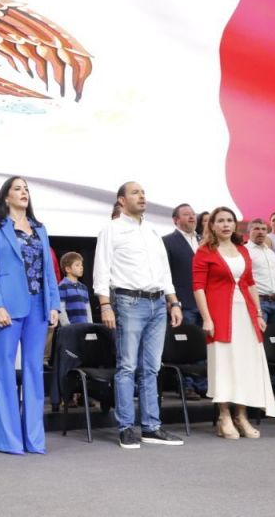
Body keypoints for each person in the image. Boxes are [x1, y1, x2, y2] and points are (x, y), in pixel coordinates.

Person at [93, 181, 185, 449]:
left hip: (158, 303)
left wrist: (174, 302)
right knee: (127, 366)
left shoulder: (152, 230)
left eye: (143, 192)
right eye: (135, 193)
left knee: (151, 368)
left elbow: (164, 271)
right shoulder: (111, 229)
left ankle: (151, 427)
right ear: (121, 200)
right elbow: (101, 269)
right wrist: (105, 305)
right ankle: (125, 427)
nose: (142, 196)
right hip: (129, 302)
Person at [0, 176, 60, 455]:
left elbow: (48, 270)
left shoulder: (39, 228)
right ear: (6, 197)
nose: (24, 192)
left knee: (34, 369)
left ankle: (34, 439)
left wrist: (54, 304)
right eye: (18, 189)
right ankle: (9, 440)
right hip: (8, 306)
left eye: (26, 189)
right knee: (4, 369)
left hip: (38, 305)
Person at [193, 207, 275, 440]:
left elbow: (250, 283)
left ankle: (241, 416)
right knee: (224, 364)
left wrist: (258, 314)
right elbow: (198, 287)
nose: (225, 224)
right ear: (212, 225)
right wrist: (207, 318)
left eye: (229, 220)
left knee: (245, 365)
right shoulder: (204, 251)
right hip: (220, 315)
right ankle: (224, 416)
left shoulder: (242, 250)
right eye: (220, 221)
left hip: (246, 315)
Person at [162, 203, 207, 400]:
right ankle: (186, 385)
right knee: (185, 346)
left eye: (193, 214)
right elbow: (165, 274)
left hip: (205, 303)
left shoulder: (204, 241)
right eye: (186, 214)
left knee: (203, 345)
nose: (192, 217)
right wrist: (171, 301)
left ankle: (203, 385)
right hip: (183, 302)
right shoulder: (167, 241)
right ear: (176, 220)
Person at [247, 218, 275, 330]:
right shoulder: (244, 251)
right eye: (256, 229)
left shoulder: (270, 253)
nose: (261, 232)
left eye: (263, 229)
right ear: (249, 231)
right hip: (258, 301)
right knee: (260, 337)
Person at [58, 252, 92, 325]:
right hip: (71, 328)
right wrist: (67, 327)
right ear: (68, 269)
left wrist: (90, 327)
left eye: (81, 265)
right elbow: (61, 308)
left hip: (85, 327)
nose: (81, 267)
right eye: (77, 265)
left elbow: (88, 309)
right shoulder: (63, 286)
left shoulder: (84, 288)